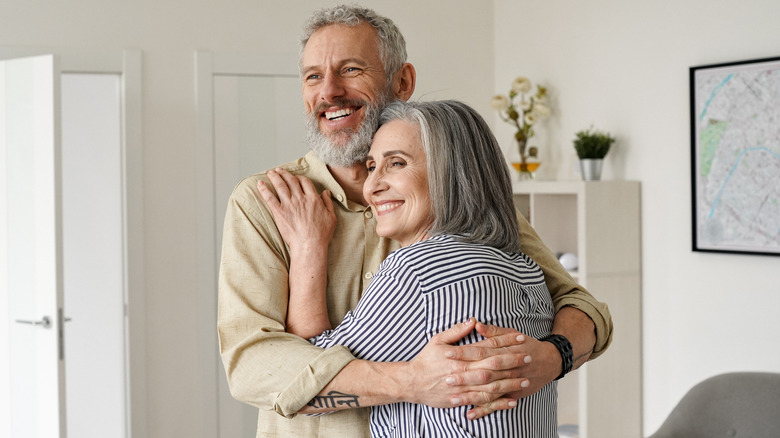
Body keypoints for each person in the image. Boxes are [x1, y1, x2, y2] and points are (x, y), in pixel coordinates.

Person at [217, 4, 613, 437]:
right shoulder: (263, 203)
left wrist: (552, 358)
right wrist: (412, 382)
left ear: (402, 81)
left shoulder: (461, 202)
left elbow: (583, 307)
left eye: (350, 69)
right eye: (313, 76)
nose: (329, 91)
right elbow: (252, 366)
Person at [276, 99, 560, 437]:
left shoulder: (418, 269)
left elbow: (309, 379)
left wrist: (308, 247)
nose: (372, 186)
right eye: (371, 166)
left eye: (396, 163)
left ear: (452, 173)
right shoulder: (525, 269)